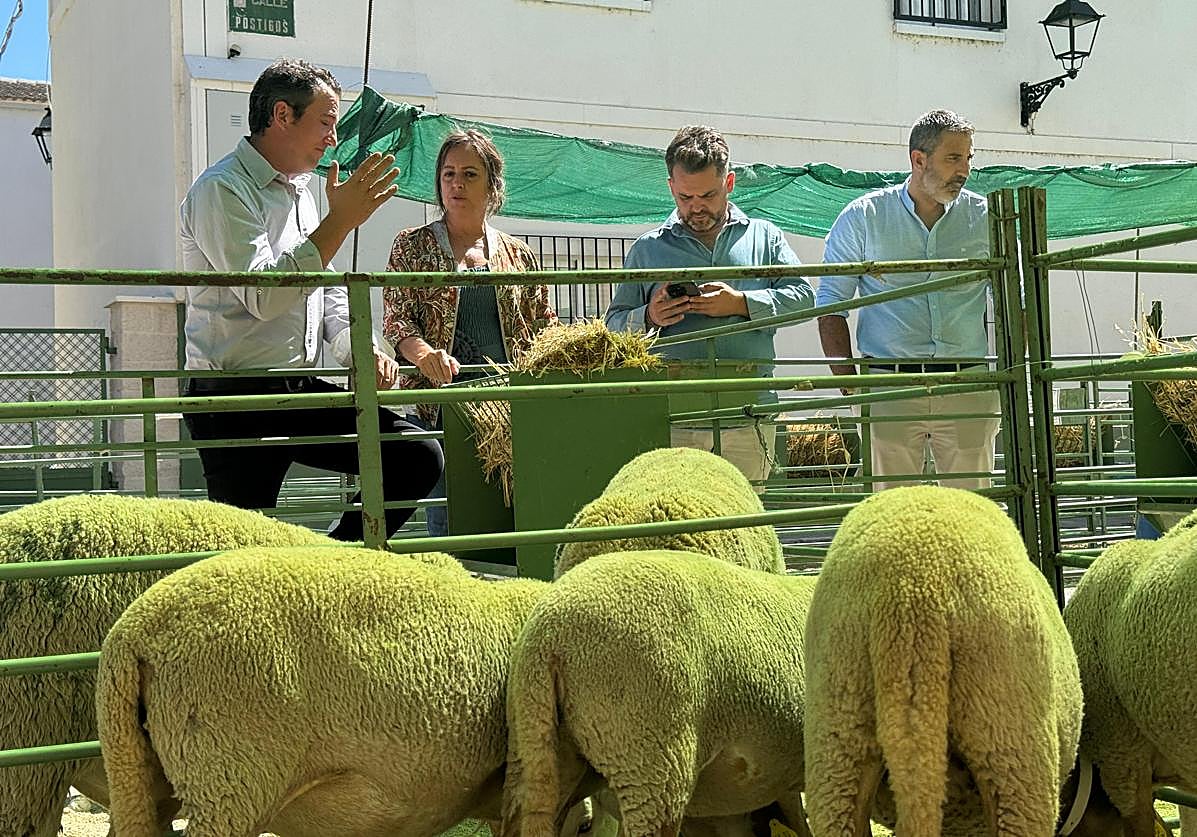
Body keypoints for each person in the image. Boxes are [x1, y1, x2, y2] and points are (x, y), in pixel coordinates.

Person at [181, 58, 443, 542]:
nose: (333, 138)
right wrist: (340, 222)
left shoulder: (303, 191)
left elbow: (326, 293)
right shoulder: (221, 189)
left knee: (415, 454)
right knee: (243, 546)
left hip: (295, 385)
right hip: (233, 395)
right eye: (326, 122)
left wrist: (358, 348)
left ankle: (331, 565)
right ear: (282, 115)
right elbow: (263, 296)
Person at [604, 125, 814, 484]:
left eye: (708, 195)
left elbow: (805, 298)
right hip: (672, 421)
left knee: (744, 528)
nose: (696, 207)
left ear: (729, 183)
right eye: (685, 197)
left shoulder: (765, 237)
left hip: (747, 417)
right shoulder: (647, 249)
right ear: (671, 187)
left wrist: (741, 303)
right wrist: (650, 316)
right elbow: (611, 326)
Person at [382, 129, 556, 535]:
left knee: (511, 518)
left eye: (470, 174)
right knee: (451, 521)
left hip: (508, 409)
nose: (457, 183)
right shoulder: (412, 247)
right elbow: (397, 318)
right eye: (448, 174)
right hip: (442, 408)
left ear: (493, 184)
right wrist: (424, 355)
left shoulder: (518, 254)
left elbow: (543, 324)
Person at [816, 109, 997, 491]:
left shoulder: (985, 217)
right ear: (918, 159)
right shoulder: (864, 216)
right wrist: (851, 388)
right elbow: (831, 304)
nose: (964, 170)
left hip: (967, 385)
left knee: (974, 514)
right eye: (953, 158)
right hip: (888, 387)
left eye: (968, 158)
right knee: (894, 515)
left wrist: (1006, 377)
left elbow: (1021, 299)